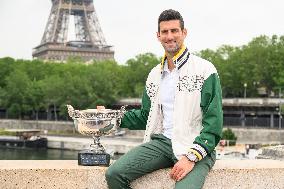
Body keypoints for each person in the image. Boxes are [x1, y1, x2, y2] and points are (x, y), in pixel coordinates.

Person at [105, 9, 223, 189]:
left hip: (195, 146)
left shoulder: (205, 70)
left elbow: (213, 123)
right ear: (158, 36)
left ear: (184, 32)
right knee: (114, 174)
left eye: (174, 30)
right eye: (165, 32)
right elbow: (146, 116)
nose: (170, 36)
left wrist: (190, 157)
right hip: (162, 144)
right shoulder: (153, 75)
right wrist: (110, 117)